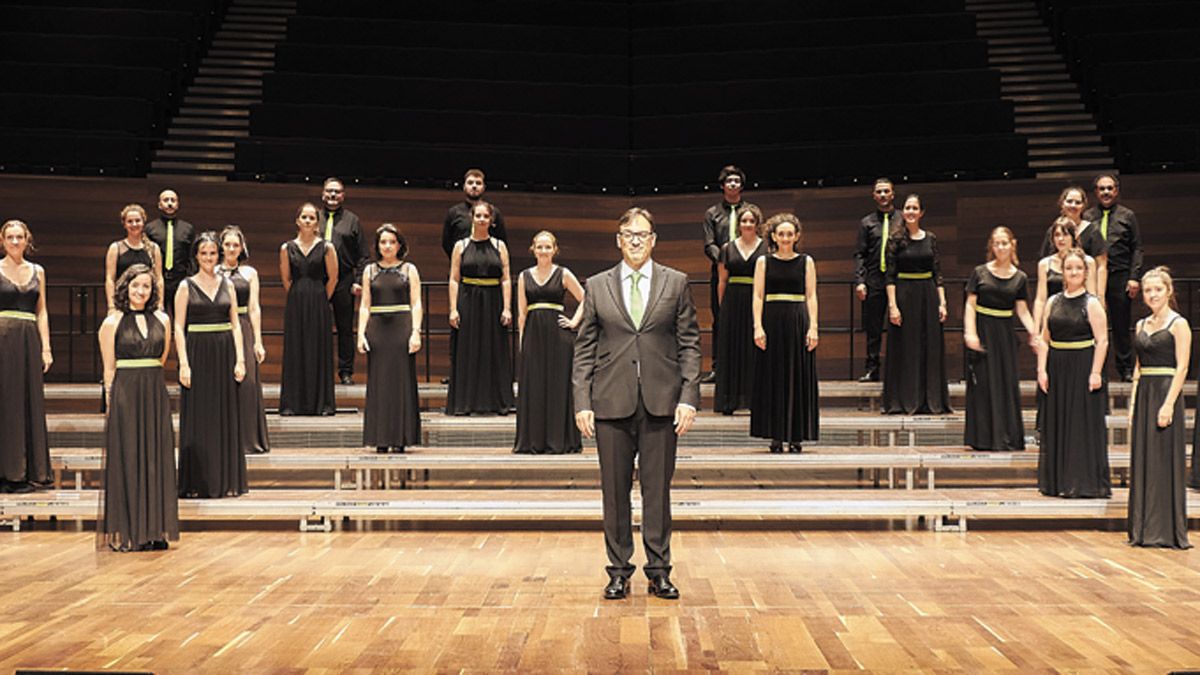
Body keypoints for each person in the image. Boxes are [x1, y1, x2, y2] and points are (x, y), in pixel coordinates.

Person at [573, 207, 701, 601]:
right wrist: (582, 401)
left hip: (662, 403)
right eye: (628, 234)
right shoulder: (596, 286)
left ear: (653, 240)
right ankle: (618, 571)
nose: (634, 240)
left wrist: (689, 397)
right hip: (610, 403)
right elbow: (584, 350)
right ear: (618, 240)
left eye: (642, 234)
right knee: (614, 494)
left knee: (657, 492)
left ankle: (659, 570)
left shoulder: (676, 283)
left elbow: (690, 345)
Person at [98, 264, 177, 551]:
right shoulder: (112, 323)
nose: (141, 291)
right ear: (125, 288)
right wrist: (110, 400)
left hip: (154, 393)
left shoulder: (163, 319)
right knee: (130, 457)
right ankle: (130, 531)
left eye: (146, 286)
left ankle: (154, 529)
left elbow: (162, 357)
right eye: (135, 286)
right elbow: (108, 368)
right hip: (126, 394)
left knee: (155, 459)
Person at [175, 232, 246, 498]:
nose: (208, 257)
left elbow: (236, 324)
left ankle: (225, 480)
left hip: (224, 351)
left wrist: (240, 359)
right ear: (196, 256)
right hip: (197, 352)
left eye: (212, 253)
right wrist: (183, 363)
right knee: (200, 415)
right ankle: (198, 482)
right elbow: (178, 328)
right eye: (203, 253)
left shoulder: (227, 284)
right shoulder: (185, 286)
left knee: (224, 414)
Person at [1037, 248, 1110, 498]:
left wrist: (1096, 372)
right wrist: (1041, 370)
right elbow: (1045, 339)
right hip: (1057, 366)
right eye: (1069, 268)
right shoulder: (1052, 302)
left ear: (1085, 271)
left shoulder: (1091, 303)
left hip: (1082, 365)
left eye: (1078, 268)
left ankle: (1082, 482)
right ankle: (1059, 481)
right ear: (1063, 272)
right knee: (1058, 422)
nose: (1074, 272)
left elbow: (1102, 341)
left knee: (1080, 424)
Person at [1127, 267, 1190, 548]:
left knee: (1164, 461)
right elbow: (1138, 369)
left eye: (1158, 289)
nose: (1152, 294)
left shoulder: (1179, 324)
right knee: (1144, 461)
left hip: (1166, 394)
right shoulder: (1141, 325)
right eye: (1148, 290)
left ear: (1169, 291)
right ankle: (1143, 529)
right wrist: (1131, 406)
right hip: (1145, 394)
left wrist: (1168, 404)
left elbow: (1183, 367)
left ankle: (1165, 530)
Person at [962, 227, 1039, 451]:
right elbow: (970, 305)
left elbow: (1022, 311)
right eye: (997, 243)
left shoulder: (1020, 277)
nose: (1001, 247)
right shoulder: (980, 272)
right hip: (983, 331)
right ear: (991, 247)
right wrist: (970, 333)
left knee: (1005, 384)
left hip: (1005, 335)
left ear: (1012, 245)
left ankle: (1006, 437)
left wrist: (1034, 333)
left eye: (1005, 243)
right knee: (983, 385)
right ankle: (983, 439)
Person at [750, 213, 819, 453]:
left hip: (798, 321)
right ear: (773, 236)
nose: (786, 238)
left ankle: (796, 436)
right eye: (781, 234)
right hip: (772, 320)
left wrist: (813, 327)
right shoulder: (763, 262)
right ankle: (776, 436)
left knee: (797, 377)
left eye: (790, 234)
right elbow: (758, 296)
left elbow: (811, 295)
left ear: (797, 236)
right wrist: (757, 326)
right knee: (773, 378)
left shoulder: (806, 261)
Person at [514, 231, 585, 454]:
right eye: (539, 247)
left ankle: (560, 440)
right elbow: (522, 313)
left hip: (558, 339)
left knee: (557, 386)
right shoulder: (524, 276)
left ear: (555, 250)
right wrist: (522, 342)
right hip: (534, 336)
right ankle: (533, 441)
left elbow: (586, 298)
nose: (543, 251)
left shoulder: (563, 273)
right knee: (534, 387)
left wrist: (574, 322)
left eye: (548, 247)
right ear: (532, 249)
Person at [882, 194, 951, 414]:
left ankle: (929, 400)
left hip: (928, 296)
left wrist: (942, 303)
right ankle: (902, 400)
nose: (911, 211)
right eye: (907, 208)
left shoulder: (931, 238)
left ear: (921, 213)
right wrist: (893, 306)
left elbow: (937, 274)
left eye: (915, 208)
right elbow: (890, 276)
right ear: (903, 211)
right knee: (905, 347)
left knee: (928, 346)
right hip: (904, 295)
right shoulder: (895, 240)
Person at [357, 224, 422, 454]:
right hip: (378, 331)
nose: (387, 246)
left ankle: (401, 437)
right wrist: (360, 334)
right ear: (377, 246)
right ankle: (380, 438)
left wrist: (416, 332)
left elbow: (416, 303)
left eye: (391, 242)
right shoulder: (369, 271)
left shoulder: (409, 269)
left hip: (401, 328)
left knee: (401, 381)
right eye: (383, 242)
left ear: (399, 245)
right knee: (379, 383)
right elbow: (365, 304)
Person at [446, 201, 514, 415]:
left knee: (494, 350)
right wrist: (453, 309)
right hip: (468, 300)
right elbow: (454, 279)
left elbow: (505, 279)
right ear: (472, 218)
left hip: (493, 302)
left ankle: (496, 403)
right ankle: (465, 403)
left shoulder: (500, 246)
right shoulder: (461, 246)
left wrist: (507, 308)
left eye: (486, 216)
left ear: (491, 220)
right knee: (468, 350)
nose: (482, 219)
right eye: (478, 216)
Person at [0, 220, 52, 493]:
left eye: (20, 237)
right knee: (5, 402)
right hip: (3, 339)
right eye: (10, 237)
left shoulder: (38, 271)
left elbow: (42, 311)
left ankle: (29, 470)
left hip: (30, 338)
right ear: (3, 240)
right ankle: (6, 471)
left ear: (27, 239)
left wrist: (46, 347)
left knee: (28, 401)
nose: (15, 242)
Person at [279, 203, 338, 416]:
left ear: (317, 222)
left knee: (318, 349)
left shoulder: (327, 247)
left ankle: (322, 404)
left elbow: (333, 278)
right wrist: (298, 294)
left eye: (312, 218)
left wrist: (319, 298)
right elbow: (286, 279)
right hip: (296, 301)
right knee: (296, 349)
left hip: (319, 301)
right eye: (304, 217)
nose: (307, 221)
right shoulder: (286, 248)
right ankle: (292, 404)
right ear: (297, 220)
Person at [701, 165, 757, 383]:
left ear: (741, 186)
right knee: (720, 320)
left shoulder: (750, 212)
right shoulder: (712, 214)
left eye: (737, 181)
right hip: (721, 273)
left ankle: (749, 368)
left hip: (749, 274)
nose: (733, 184)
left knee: (750, 320)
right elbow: (709, 244)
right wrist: (726, 260)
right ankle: (718, 368)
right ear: (723, 186)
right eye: (729, 181)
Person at [1085, 174, 1143, 381]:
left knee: (1120, 324)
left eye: (1110, 188)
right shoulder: (1087, 216)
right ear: (1096, 192)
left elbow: (1136, 248)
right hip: (1092, 277)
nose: (1106, 192)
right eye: (1102, 188)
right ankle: (1093, 369)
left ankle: (1125, 369)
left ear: (1116, 190)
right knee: (1091, 323)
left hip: (1119, 276)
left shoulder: (1128, 216)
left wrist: (1134, 277)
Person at [219, 226, 270, 454]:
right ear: (221, 246)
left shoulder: (250, 273)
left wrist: (258, 341)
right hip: (220, 327)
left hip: (244, 326)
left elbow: (254, 308)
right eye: (228, 244)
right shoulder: (212, 272)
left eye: (235, 245)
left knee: (247, 383)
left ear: (242, 248)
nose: (231, 249)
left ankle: (248, 440)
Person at [714, 204, 766, 414]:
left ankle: (756, 401)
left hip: (757, 300)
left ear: (757, 224)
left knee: (754, 351)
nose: (747, 224)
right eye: (744, 221)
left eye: (751, 221)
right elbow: (722, 281)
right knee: (731, 349)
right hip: (733, 301)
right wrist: (722, 307)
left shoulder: (766, 248)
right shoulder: (727, 248)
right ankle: (729, 401)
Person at [318, 177, 370, 385]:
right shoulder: (314, 218)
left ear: (343, 195)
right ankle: (319, 371)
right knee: (317, 327)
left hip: (344, 281)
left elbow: (363, 255)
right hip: (318, 279)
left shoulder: (352, 220)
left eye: (337, 191)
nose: (332, 195)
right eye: (329, 191)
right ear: (322, 194)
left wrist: (358, 280)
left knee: (345, 328)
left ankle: (346, 371)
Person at [852, 178, 897, 382]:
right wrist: (860, 280)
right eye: (879, 192)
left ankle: (899, 370)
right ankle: (872, 369)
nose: (882, 195)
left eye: (886, 191)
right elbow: (860, 253)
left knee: (899, 326)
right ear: (874, 196)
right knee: (873, 328)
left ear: (892, 194)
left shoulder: (903, 220)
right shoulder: (866, 222)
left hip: (898, 281)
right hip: (874, 280)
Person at [1039, 186, 1108, 306]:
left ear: (1083, 206)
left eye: (1077, 202)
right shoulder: (1053, 230)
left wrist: (1100, 297)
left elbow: (1101, 266)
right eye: (1069, 201)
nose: (1073, 205)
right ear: (1062, 203)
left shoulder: (1092, 231)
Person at [105, 204, 163, 314]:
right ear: (124, 224)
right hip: (122, 304)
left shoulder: (153, 248)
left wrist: (160, 304)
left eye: (137, 220)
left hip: (147, 303)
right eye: (130, 221)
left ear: (143, 222)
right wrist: (111, 306)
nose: (134, 224)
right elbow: (110, 279)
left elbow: (159, 278)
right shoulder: (116, 248)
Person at [144, 188, 196, 313]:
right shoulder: (150, 228)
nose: (169, 203)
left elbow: (192, 257)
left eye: (173, 200)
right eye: (166, 200)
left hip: (180, 280)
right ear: (159, 205)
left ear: (177, 204)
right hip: (157, 281)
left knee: (182, 319)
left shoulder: (188, 228)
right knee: (157, 319)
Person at [441, 168, 508, 257]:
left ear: (484, 187)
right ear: (464, 187)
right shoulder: (454, 212)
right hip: (461, 265)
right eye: (470, 183)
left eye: (478, 183)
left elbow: (501, 242)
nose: (474, 186)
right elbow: (446, 243)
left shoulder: (494, 212)